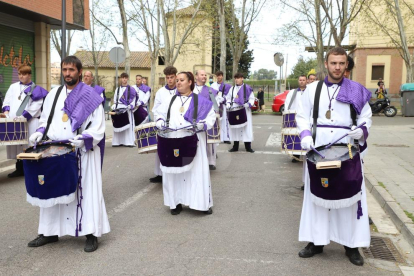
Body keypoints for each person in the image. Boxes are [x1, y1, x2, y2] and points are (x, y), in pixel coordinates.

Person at [296, 47, 372, 266]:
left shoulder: (356, 90)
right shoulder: (313, 90)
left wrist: (362, 130)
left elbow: (366, 117)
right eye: (333, 63)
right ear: (326, 64)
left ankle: (351, 245)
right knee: (317, 197)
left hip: (347, 152)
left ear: (346, 65)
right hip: (319, 151)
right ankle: (316, 242)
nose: (337, 67)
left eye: (341, 63)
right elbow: (302, 117)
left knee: (349, 197)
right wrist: (305, 135)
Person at [28, 55, 110, 252]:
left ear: (79, 72)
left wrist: (85, 139)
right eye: (64, 70)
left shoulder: (91, 96)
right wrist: (39, 133)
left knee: (85, 192)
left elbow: (98, 126)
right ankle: (49, 232)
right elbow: (45, 121)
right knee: (52, 188)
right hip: (56, 150)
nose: (67, 74)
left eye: (71, 70)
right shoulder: (54, 94)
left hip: (81, 151)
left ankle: (90, 233)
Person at [155, 71, 216, 215]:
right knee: (173, 173)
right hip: (172, 141)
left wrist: (202, 125)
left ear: (190, 82)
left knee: (196, 172)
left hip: (193, 140)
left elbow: (211, 118)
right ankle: (175, 203)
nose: (178, 82)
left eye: (181, 80)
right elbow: (159, 113)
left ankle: (200, 203)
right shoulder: (170, 100)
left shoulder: (200, 101)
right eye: (177, 80)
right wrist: (159, 121)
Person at [2, 64, 48, 178]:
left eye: (23, 74)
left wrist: (21, 118)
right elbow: (7, 100)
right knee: (17, 145)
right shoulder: (13, 86)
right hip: (13, 121)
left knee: (29, 144)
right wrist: (7, 113)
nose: (21, 76)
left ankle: (32, 168)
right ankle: (19, 168)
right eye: (19, 74)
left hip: (30, 122)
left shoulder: (37, 90)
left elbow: (35, 107)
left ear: (29, 75)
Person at [150, 66, 178, 183]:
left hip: (176, 125)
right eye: (167, 78)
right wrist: (159, 120)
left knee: (176, 149)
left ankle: (176, 173)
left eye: (172, 77)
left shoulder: (180, 90)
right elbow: (155, 109)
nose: (170, 80)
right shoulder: (161, 92)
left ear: (176, 76)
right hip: (163, 125)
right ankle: (160, 173)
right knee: (162, 149)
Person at [194, 69, 222, 171]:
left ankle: (211, 162)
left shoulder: (210, 90)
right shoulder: (190, 89)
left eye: (205, 75)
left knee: (210, 142)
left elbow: (215, 104)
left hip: (206, 118)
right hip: (193, 118)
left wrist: (214, 113)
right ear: (196, 76)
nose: (204, 77)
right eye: (202, 75)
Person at [226, 73, 255, 153]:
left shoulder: (247, 88)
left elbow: (252, 98)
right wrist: (228, 103)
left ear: (242, 78)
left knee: (246, 128)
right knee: (235, 128)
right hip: (234, 110)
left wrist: (248, 104)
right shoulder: (232, 89)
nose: (236, 80)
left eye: (238, 78)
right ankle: (235, 146)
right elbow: (228, 98)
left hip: (245, 110)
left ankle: (248, 147)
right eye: (235, 78)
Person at [83, 70, 106, 166]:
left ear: (92, 78)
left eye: (88, 76)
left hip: (93, 120)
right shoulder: (79, 89)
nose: (86, 77)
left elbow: (98, 106)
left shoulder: (98, 90)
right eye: (84, 76)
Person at [284, 75, 307, 163]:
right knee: (295, 136)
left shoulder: (309, 92)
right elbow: (287, 104)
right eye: (300, 80)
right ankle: (295, 155)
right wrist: (289, 114)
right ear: (298, 81)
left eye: (303, 80)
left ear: (306, 81)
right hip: (294, 117)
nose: (301, 81)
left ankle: (306, 153)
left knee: (305, 134)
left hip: (306, 117)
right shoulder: (292, 92)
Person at [111, 73, 137, 147]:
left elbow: (134, 99)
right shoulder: (117, 89)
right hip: (119, 109)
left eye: (125, 78)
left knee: (128, 126)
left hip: (127, 109)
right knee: (118, 124)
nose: (124, 79)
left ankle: (129, 142)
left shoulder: (131, 89)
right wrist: (115, 106)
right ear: (121, 79)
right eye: (123, 78)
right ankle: (117, 142)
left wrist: (130, 106)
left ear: (127, 78)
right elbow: (115, 99)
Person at [211, 71, 232, 144]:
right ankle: (216, 137)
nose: (218, 77)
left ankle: (226, 138)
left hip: (223, 105)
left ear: (222, 76)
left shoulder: (227, 86)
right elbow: (210, 95)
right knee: (215, 121)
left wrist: (224, 99)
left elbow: (229, 96)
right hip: (215, 105)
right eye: (217, 76)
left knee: (224, 121)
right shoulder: (213, 85)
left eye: (219, 76)